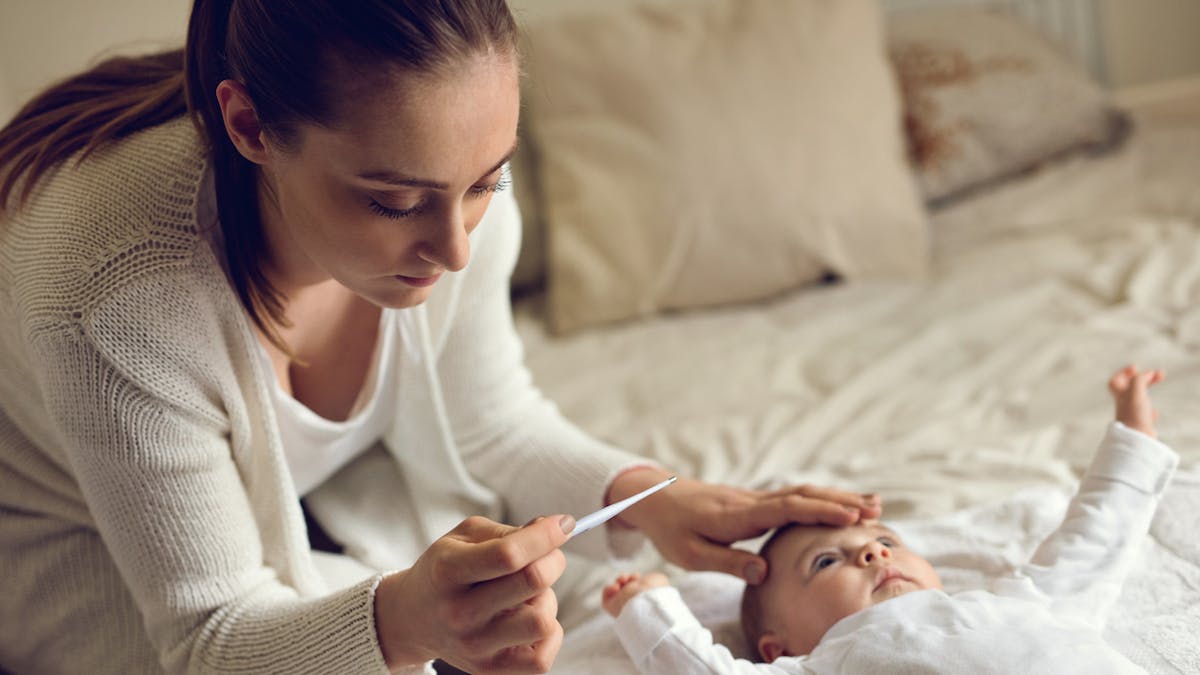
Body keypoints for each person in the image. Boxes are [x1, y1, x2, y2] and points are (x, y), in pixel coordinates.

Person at [0, 1, 884, 673]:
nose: (455, 249)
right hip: (68, 538)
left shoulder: (450, 184)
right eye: (393, 201)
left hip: (303, 502)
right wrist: (407, 622)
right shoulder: (113, 297)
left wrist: (657, 501)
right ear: (249, 128)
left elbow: (490, 418)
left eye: (486, 183)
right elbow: (209, 635)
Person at [602, 365, 1176, 674]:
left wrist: (1133, 438)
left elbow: (1095, 540)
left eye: (885, 539)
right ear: (780, 648)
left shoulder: (1018, 603)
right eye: (825, 562)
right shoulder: (826, 664)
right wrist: (647, 605)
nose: (873, 553)